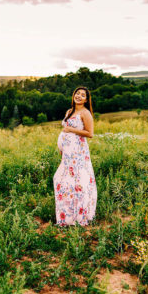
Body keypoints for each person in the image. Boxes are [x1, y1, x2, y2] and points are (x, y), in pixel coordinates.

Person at [53, 86, 97, 226]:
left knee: (79, 182)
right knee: (62, 180)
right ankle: (67, 216)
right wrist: (62, 146)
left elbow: (90, 134)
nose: (79, 96)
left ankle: (80, 216)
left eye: (82, 95)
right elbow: (65, 131)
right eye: (77, 93)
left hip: (78, 153)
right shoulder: (69, 111)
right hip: (68, 153)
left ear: (86, 99)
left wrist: (71, 129)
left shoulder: (85, 113)